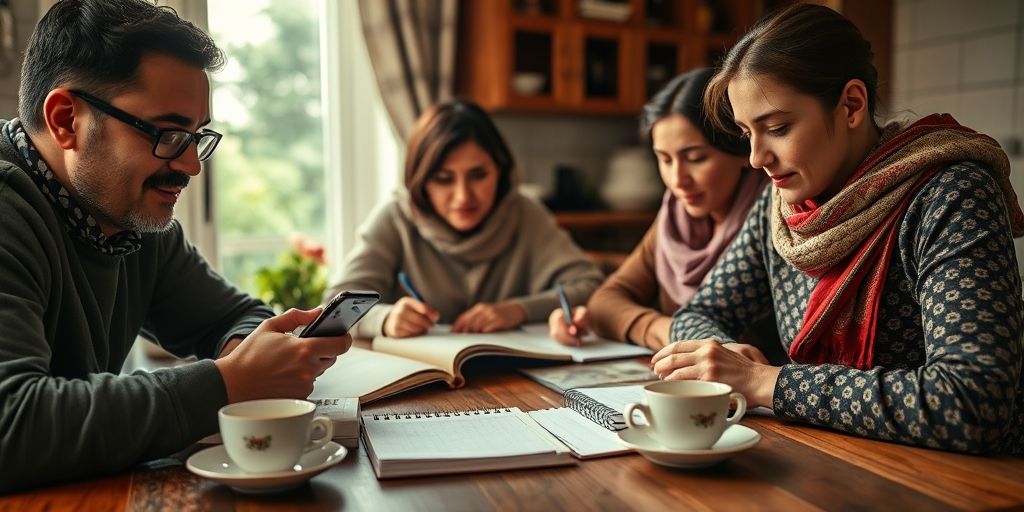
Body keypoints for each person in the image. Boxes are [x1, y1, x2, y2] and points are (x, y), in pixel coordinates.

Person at [0, 0, 352, 492]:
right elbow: (12, 425)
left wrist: (245, 354)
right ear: (65, 119)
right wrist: (229, 384)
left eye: (196, 137)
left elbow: (232, 315)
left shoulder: (127, 216)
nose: (191, 166)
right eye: (168, 134)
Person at [652, 3, 1024, 454]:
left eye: (777, 127)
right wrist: (727, 356)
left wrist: (768, 382)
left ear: (851, 105)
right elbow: (698, 313)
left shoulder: (951, 194)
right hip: (833, 459)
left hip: (965, 480)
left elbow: (972, 402)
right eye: (747, 133)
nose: (756, 157)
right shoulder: (783, 207)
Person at [325, 98, 603, 339]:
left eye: (478, 175)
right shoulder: (395, 217)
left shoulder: (525, 213)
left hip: (510, 382)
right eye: (444, 179)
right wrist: (385, 320)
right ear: (420, 183)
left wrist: (518, 310)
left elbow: (589, 286)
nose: (463, 196)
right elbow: (335, 309)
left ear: (501, 170)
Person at [547, 69, 770, 351]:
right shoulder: (677, 217)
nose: (678, 179)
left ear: (741, 149)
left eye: (696, 158)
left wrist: (671, 334)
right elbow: (605, 303)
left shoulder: (770, 215)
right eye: (664, 159)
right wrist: (667, 332)